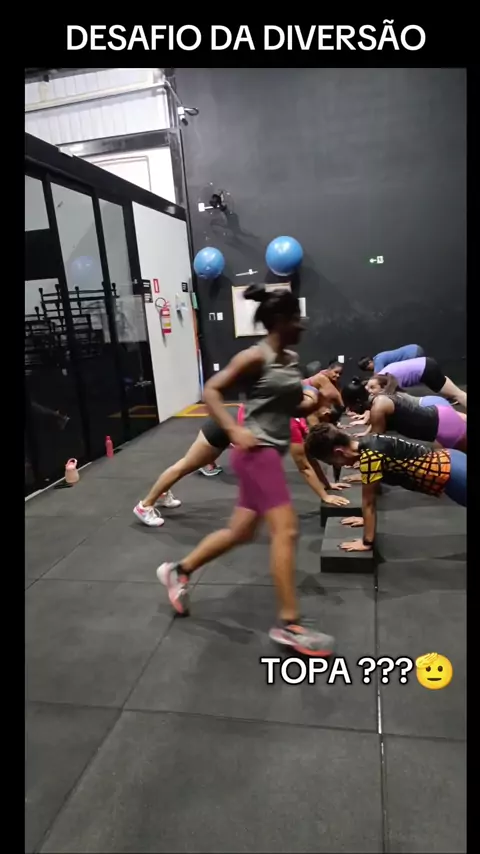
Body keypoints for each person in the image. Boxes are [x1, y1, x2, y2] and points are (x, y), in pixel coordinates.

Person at [157, 285, 335, 656]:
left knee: (240, 532)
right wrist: (234, 429)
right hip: (257, 454)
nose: (302, 324)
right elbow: (212, 390)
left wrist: (312, 401)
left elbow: (288, 407)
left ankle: (180, 570)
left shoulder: (290, 360)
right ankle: (290, 625)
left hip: (267, 454)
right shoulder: (254, 356)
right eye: (296, 318)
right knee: (286, 530)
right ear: (280, 321)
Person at [305, 423, 467, 553]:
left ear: (339, 452)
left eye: (333, 462)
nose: (338, 466)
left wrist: (367, 542)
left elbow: (369, 502)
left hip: (453, 475)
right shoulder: (369, 442)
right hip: (451, 458)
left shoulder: (370, 457)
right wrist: (366, 519)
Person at [237, 403, 351, 507]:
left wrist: (326, 484)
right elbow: (304, 467)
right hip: (251, 420)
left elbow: (309, 457)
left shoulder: (305, 422)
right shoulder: (293, 426)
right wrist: (325, 496)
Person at [133, 417, 231, 527]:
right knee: (184, 466)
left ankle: (161, 494)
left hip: (224, 429)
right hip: (220, 430)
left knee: (188, 465)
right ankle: (144, 506)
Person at [342, 377, 467, 452]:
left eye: (350, 406)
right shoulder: (378, 401)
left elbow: (375, 444)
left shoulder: (378, 406)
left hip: (443, 424)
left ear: (358, 401)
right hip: (439, 415)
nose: (350, 410)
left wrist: (356, 456)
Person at [368, 357, 466, 409]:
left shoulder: (389, 379)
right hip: (425, 364)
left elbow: (391, 398)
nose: (371, 392)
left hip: (426, 369)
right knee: (454, 391)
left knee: (457, 395)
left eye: (372, 388)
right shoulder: (383, 376)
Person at [358, 345, 425, 374]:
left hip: (413, 353)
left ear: (370, 362)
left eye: (369, 369)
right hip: (414, 349)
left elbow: (377, 377)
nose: (370, 371)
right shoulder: (378, 357)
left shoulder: (378, 360)